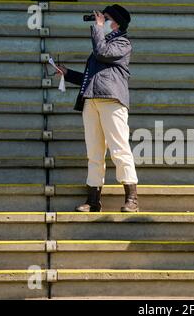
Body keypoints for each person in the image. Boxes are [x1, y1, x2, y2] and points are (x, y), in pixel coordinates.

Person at [55, 4, 139, 212]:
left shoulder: (123, 43)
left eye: (106, 17)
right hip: (91, 100)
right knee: (94, 152)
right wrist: (67, 73)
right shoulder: (103, 42)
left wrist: (98, 28)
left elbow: (101, 52)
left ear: (116, 22)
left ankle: (132, 199)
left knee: (119, 149)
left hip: (112, 101)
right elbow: (91, 77)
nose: (101, 20)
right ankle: (93, 200)